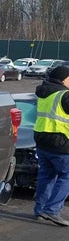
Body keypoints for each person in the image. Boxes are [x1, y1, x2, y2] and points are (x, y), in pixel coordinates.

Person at [33, 64, 69, 226]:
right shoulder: (64, 96)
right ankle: (52, 210)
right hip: (61, 143)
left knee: (46, 176)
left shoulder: (44, 93)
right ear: (64, 79)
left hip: (42, 140)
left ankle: (40, 210)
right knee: (66, 176)